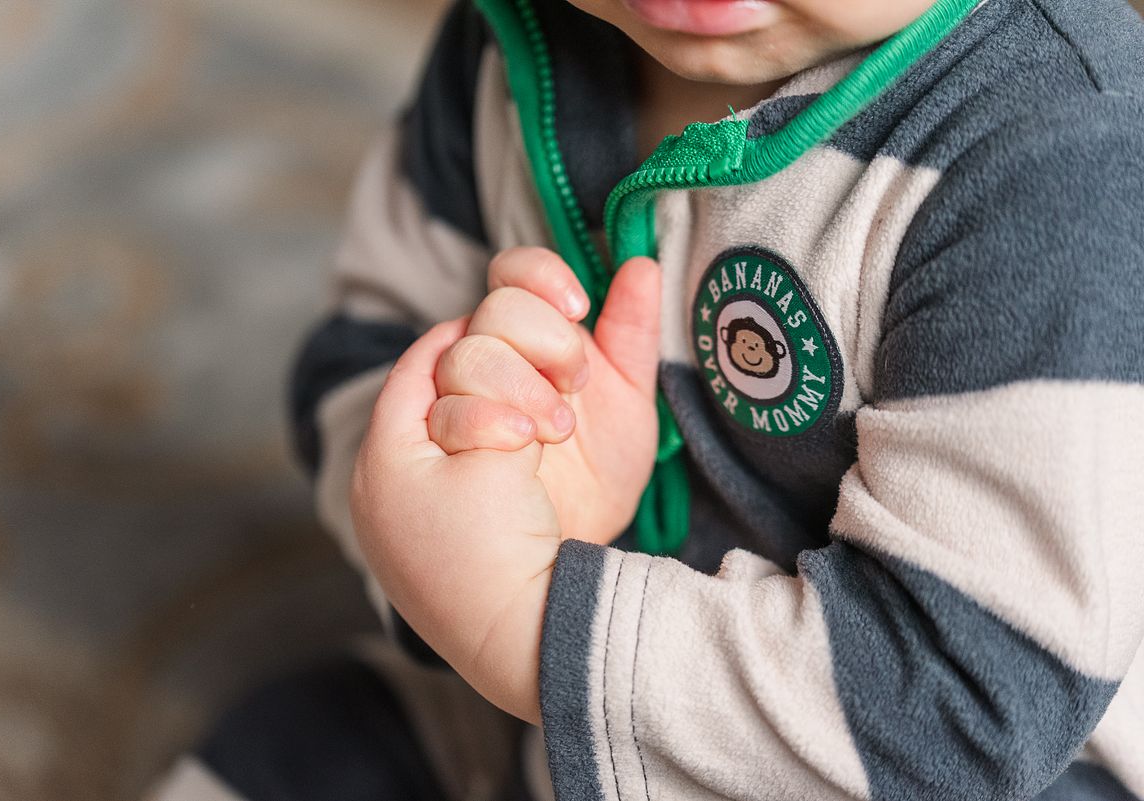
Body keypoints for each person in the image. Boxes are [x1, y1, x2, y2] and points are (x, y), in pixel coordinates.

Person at [167, 0, 1144, 799]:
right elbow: (367, 354)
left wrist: (523, 619)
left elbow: (962, 705)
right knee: (293, 748)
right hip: (561, 710)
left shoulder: (1063, 163)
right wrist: (452, 511)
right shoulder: (515, 44)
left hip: (957, 764)